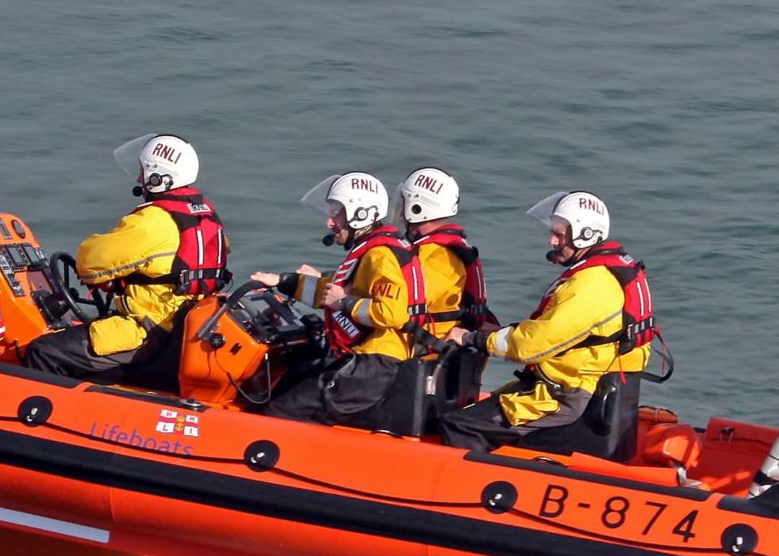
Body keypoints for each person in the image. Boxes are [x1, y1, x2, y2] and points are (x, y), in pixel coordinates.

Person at [440, 190, 656, 453]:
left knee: (460, 424)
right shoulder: (602, 274)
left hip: (566, 394)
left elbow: (535, 344)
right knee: (488, 408)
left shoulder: (590, 285)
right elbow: (557, 332)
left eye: (559, 234)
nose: (552, 241)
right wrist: (501, 332)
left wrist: (472, 338)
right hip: (575, 383)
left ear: (585, 234)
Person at [21, 133, 229, 388]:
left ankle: (40, 415)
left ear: (158, 178)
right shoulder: (207, 218)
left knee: (45, 351)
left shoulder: (152, 221)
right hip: (181, 330)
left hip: (147, 330)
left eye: (143, 172)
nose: (140, 179)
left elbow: (89, 262)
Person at [250, 171, 425, 426]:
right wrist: (284, 282)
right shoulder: (370, 250)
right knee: (293, 378)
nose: (330, 223)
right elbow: (333, 292)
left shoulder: (380, 256)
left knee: (282, 411)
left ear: (361, 214)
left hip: (373, 366)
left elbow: (392, 312)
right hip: (366, 360)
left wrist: (345, 302)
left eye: (336, 214)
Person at [397, 166, 495, 341]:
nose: (399, 213)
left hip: (424, 354)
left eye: (404, 204)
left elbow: (399, 305)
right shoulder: (444, 247)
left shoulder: (437, 256)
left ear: (417, 208)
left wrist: (347, 299)